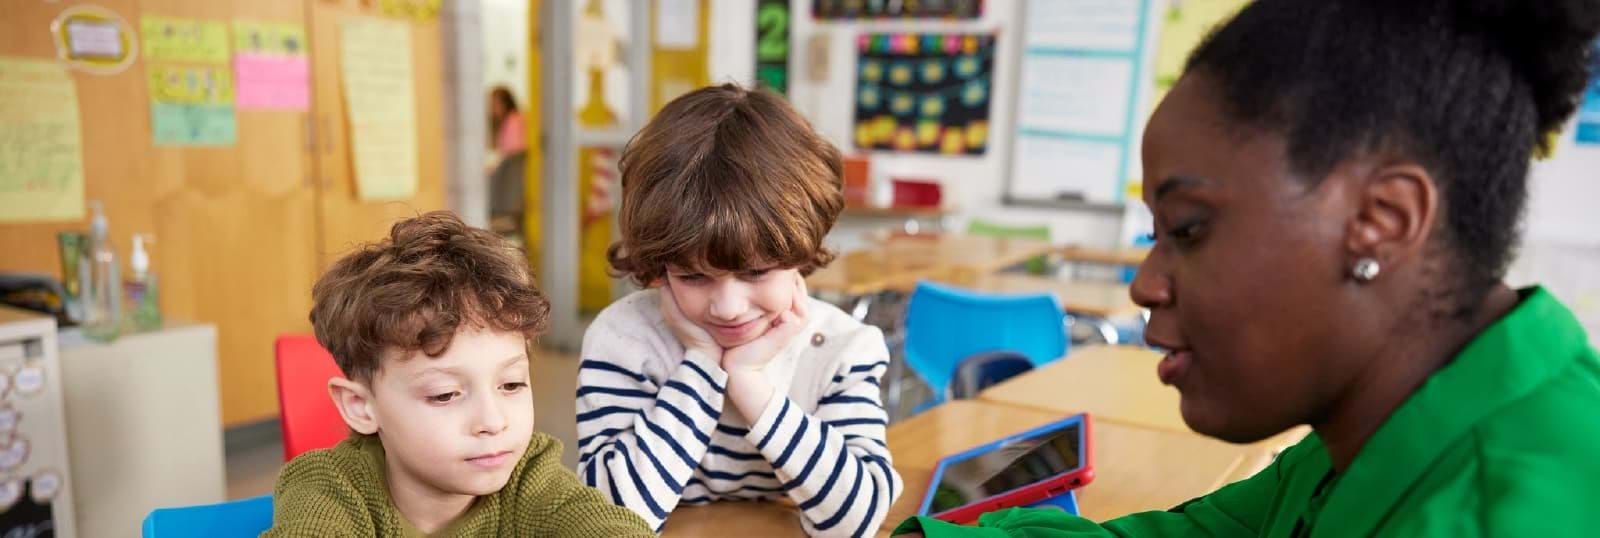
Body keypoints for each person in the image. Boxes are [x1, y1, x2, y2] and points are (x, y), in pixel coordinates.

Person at [895, 0, 1600, 536]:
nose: (1144, 283)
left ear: (1383, 221)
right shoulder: (1363, 432)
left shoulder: (1522, 507)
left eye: (1189, 229)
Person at [577, 84, 903, 536]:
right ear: (660, 268)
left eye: (755, 273)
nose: (728, 309)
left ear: (800, 252)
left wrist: (750, 384)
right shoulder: (626, 340)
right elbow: (607, 520)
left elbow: (855, 522)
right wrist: (703, 364)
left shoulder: (840, 350)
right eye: (693, 277)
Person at [264, 211, 651, 536]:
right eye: (446, 394)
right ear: (361, 407)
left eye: (511, 384)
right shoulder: (326, 487)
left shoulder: (529, 476)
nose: (492, 422)